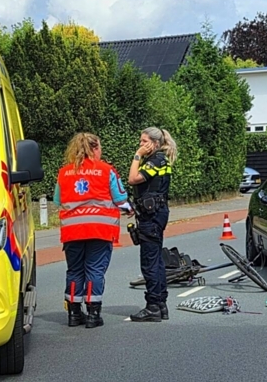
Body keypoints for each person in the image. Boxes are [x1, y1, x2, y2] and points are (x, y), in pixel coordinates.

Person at [54, 133, 129, 328]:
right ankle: (93, 315)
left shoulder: (64, 173)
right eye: (100, 147)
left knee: (74, 271)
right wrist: (129, 209)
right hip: (99, 229)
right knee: (94, 270)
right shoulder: (106, 170)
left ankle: (73, 314)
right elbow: (120, 198)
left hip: (72, 231)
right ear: (95, 149)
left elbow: (57, 200)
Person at [127, 127, 177, 322]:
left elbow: (133, 179)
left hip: (152, 216)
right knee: (156, 261)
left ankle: (153, 307)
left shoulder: (155, 161)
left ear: (155, 143)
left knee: (149, 263)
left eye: (144, 141)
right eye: (140, 141)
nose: (141, 144)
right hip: (156, 213)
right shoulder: (160, 160)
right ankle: (161, 304)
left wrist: (137, 155)